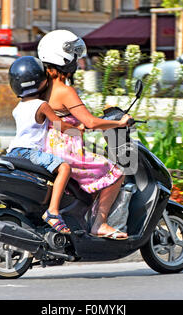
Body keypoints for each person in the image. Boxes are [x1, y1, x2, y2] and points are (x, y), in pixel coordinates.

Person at [38, 30, 132, 240]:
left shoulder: (44, 88)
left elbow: (58, 122)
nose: (76, 61)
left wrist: (77, 128)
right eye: (73, 56)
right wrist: (119, 122)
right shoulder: (65, 91)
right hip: (68, 152)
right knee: (116, 172)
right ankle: (100, 223)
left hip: (51, 146)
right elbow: (91, 121)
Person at [6, 56, 83, 235]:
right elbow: (59, 126)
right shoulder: (42, 105)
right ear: (40, 81)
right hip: (30, 152)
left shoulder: (17, 108)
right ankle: (53, 212)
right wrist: (78, 129)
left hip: (14, 151)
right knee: (64, 168)